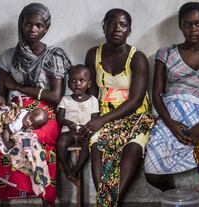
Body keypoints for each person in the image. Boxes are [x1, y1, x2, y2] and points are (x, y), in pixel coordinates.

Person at [0, 3, 71, 206]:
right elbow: (2, 92)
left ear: (46, 28)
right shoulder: (7, 57)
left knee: (32, 139)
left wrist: (18, 86)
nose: (33, 30)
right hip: (14, 111)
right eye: (28, 24)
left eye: (39, 25)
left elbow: (55, 97)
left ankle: (46, 201)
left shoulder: (54, 56)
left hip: (44, 114)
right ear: (21, 24)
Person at [143, 2, 199, 207]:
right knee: (151, 172)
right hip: (171, 116)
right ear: (180, 25)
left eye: (198, 24)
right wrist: (172, 125)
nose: (193, 29)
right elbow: (156, 95)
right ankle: (177, 197)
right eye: (188, 24)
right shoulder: (165, 54)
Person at [83, 8, 154, 207]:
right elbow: (91, 93)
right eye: (112, 23)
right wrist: (89, 118)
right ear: (104, 26)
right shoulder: (93, 55)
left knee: (133, 147)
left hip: (135, 115)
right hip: (103, 114)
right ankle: (108, 203)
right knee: (97, 145)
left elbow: (136, 101)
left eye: (123, 25)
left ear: (129, 30)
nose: (117, 28)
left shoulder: (137, 58)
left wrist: (101, 121)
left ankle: (108, 204)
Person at [56, 64, 99, 183]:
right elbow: (59, 118)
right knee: (61, 143)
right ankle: (66, 166)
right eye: (73, 81)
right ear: (69, 84)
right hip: (69, 132)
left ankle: (75, 170)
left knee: (87, 145)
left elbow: (95, 119)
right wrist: (68, 123)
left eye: (81, 80)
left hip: (84, 132)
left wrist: (87, 127)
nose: (77, 83)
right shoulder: (65, 100)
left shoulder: (93, 100)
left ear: (89, 84)